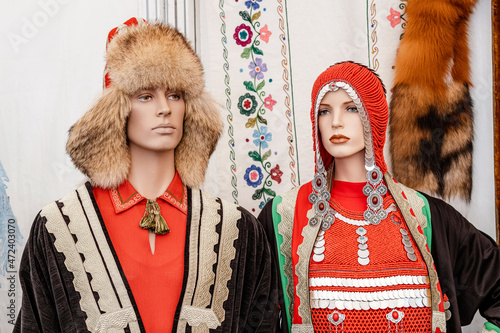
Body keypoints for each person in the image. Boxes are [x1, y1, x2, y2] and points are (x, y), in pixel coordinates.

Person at [15, 18, 276, 332]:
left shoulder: (239, 230)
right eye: (145, 96)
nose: (164, 108)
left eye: (176, 94)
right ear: (117, 110)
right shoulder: (56, 227)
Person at [258, 61, 500, 332]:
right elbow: (252, 316)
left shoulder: (426, 215)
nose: (336, 122)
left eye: (351, 108)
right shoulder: (284, 216)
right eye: (324, 111)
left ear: (374, 117)